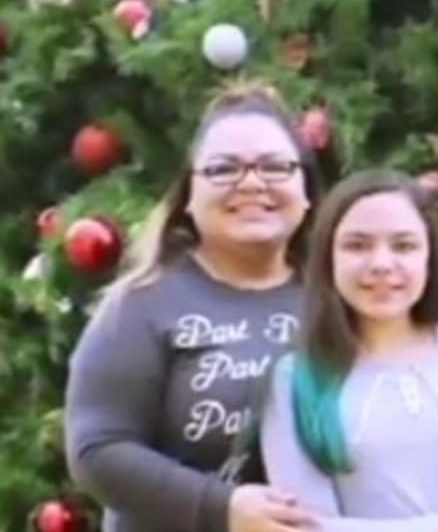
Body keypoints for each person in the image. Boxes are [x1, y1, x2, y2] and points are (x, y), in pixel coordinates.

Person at [64, 80, 322, 532]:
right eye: (224, 169)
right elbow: (98, 450)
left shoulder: (338, 298)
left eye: (275, 167)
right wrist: (222, 507)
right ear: (188, 197)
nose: (252, 183)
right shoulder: (141, 305)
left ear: (306, 192)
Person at [259, 169, 438, 532]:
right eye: (357, 245)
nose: (381, 264)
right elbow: (303, 527)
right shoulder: (298, 378)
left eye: (404, 245)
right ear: (328, 259)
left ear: (429, 257)